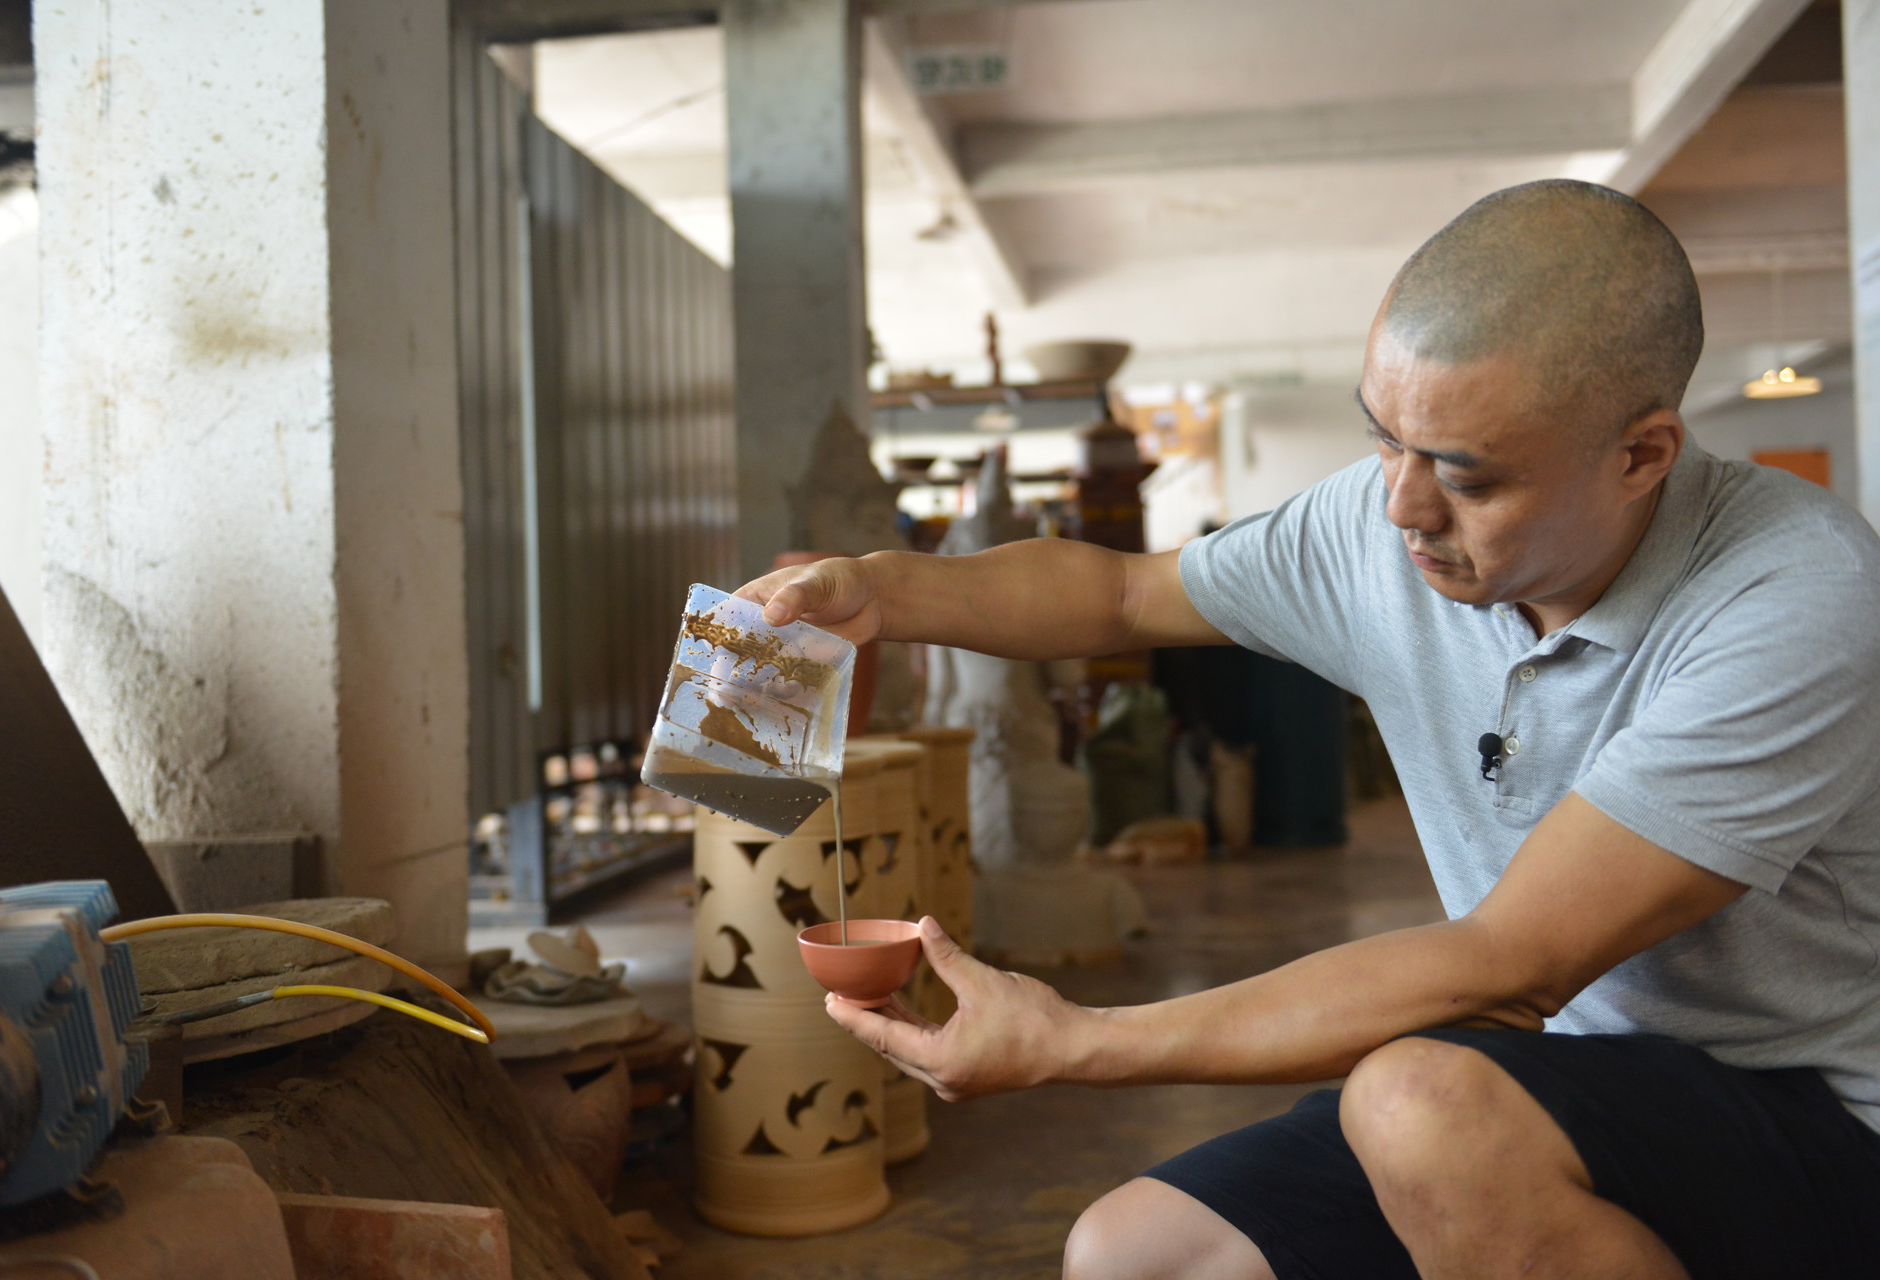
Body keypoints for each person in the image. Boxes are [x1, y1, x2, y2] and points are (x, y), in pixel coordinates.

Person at [736, 180, 1880, 1280]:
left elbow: (1508, 962)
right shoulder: (1381, 527)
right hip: (1567, 1080)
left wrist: (1075, 1039)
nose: (1402, 507)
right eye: (1385, 438)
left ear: (1640, 454)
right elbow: (1121, 594)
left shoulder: (1791, 595)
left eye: (1468, 478)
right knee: (1130, 1254)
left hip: (1817, 1109)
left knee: (1417, 1100)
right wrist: (885, 590)